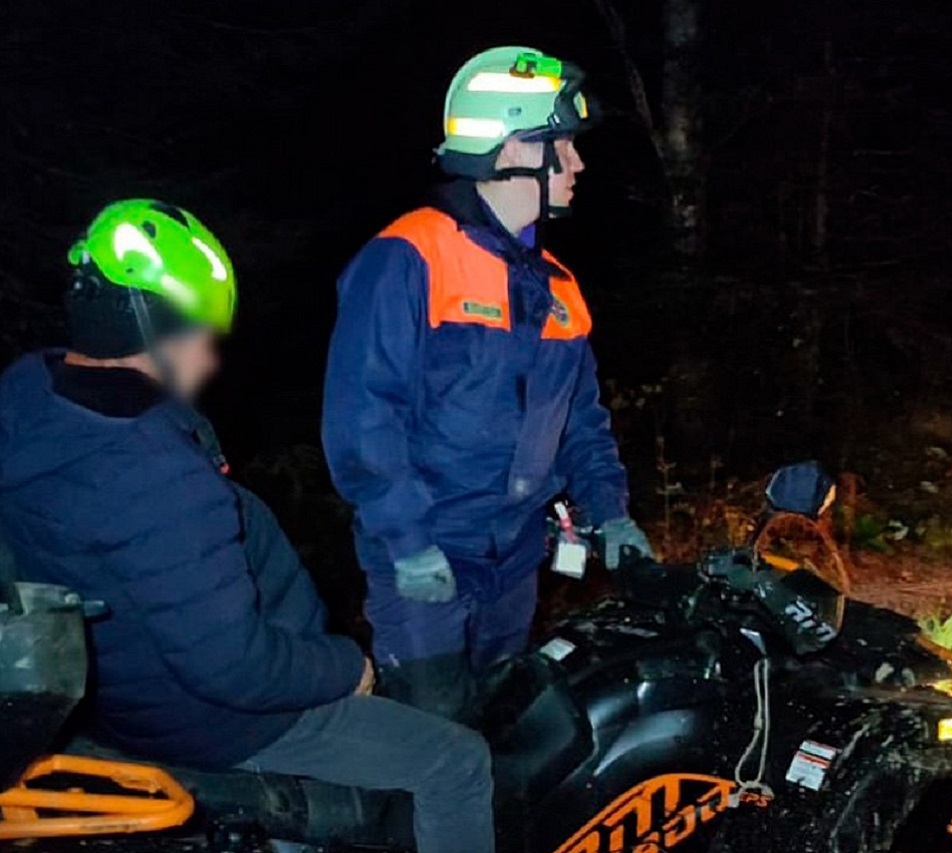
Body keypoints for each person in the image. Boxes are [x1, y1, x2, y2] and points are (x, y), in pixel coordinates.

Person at [0, 200, 495, 853]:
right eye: (202, 337)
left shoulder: (29, 398)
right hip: (215, 720)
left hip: (123, 694)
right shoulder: (154, 475)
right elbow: (234, 667)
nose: (211, 359)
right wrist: (347, 666)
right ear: (149, 325)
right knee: (456, 763)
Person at [323, 46, 652, 718]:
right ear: (511, 150)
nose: (577, 163)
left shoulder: (559, 285)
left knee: (504, 737)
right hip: (427, 559)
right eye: (561, 146)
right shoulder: (409, 257)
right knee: (434, 744)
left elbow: (580, 423)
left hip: (515, 562)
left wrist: (608, 511)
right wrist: (409, 542)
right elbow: (363, 417)